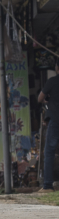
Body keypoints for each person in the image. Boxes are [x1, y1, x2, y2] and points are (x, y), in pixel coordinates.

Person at [38, 58, 59, 193]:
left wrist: (48, 98)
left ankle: (47, 185)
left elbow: (40, 98)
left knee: (50, 152)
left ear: (57, 67)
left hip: (56, 119)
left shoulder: (52, 81)